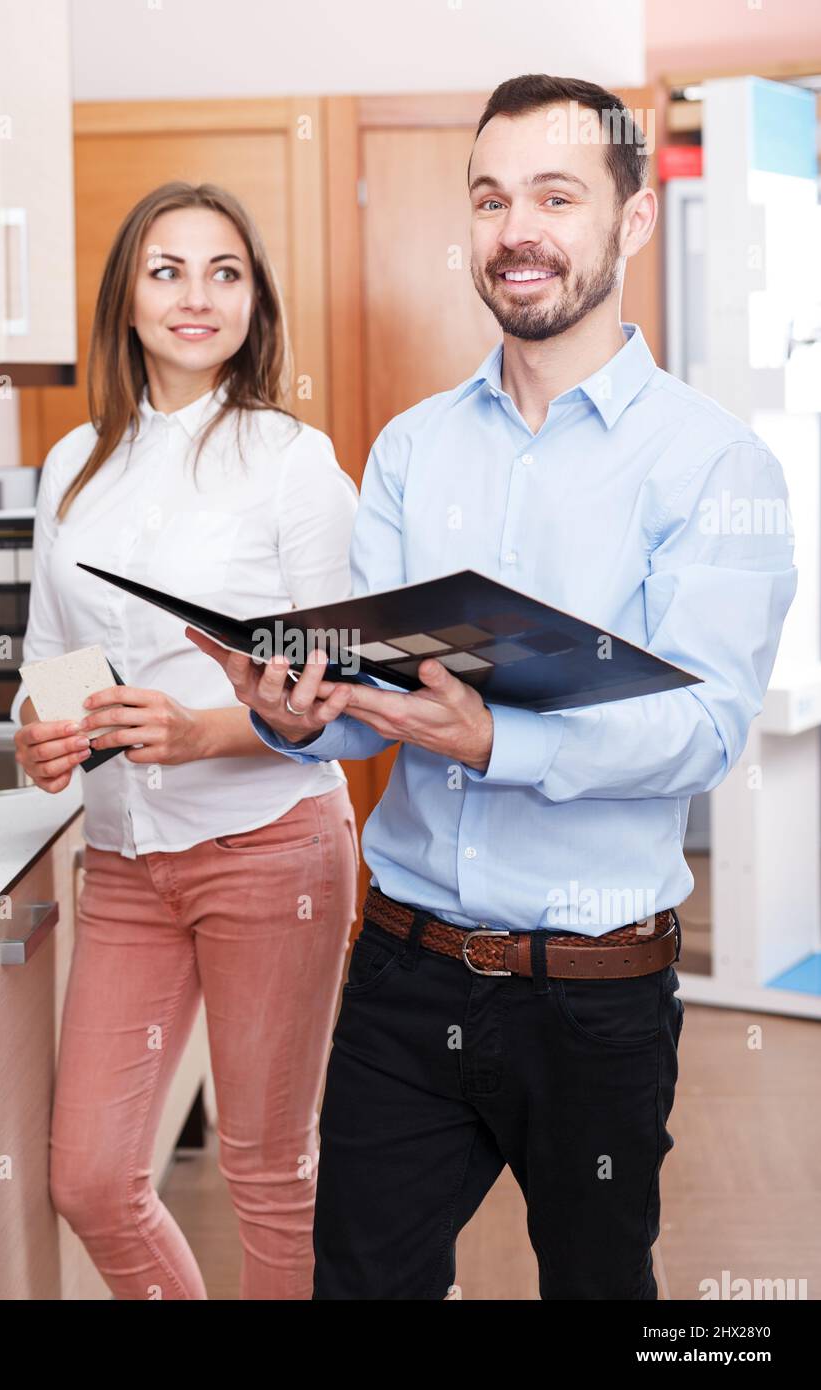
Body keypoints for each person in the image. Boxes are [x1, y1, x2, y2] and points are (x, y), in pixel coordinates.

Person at [190, 74, 798, 1299]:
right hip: (404, 971)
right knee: (359, 1282)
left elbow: (704, 727)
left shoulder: (713, 463)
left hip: (595, 996)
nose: (515, 228)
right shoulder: (413, 445)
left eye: (555, 195)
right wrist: (291, 710)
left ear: (629, 222)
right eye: (490, 197)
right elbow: (362, 700)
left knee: (596, 1287)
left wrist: (493, 743)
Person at [11, 181, 359, 1300]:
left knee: (267, 1171)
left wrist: (202, 730)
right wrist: (44, 731)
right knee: (91, 1178)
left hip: (270, 848)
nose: (196, 297)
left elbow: (340, 692)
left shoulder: (291, 462)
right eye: (168, 270)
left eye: (225, 272)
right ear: (127, 296)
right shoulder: (70, 465)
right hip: (121, 860)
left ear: (255, 302)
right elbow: (52, 653)